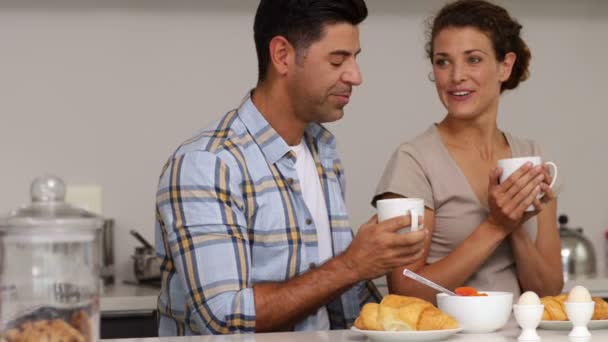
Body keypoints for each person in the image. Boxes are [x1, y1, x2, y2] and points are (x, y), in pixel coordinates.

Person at [155, 0, 427, 336]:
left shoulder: (323, 154)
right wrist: (353, 264)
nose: (356, 76)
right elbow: (224, 318)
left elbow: (337, 297)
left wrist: (431, 315)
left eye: (355, 59)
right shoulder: (208, 165)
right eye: (338, 59)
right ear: (282, 55)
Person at [373, 0, 563, 303]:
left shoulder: (531, 156)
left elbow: (549, 292)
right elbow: (405, 291)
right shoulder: (413, 161)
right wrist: (495, 225)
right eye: (443, 61)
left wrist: (513, 226)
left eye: (473, 59)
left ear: (505, 65)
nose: (456, 75)